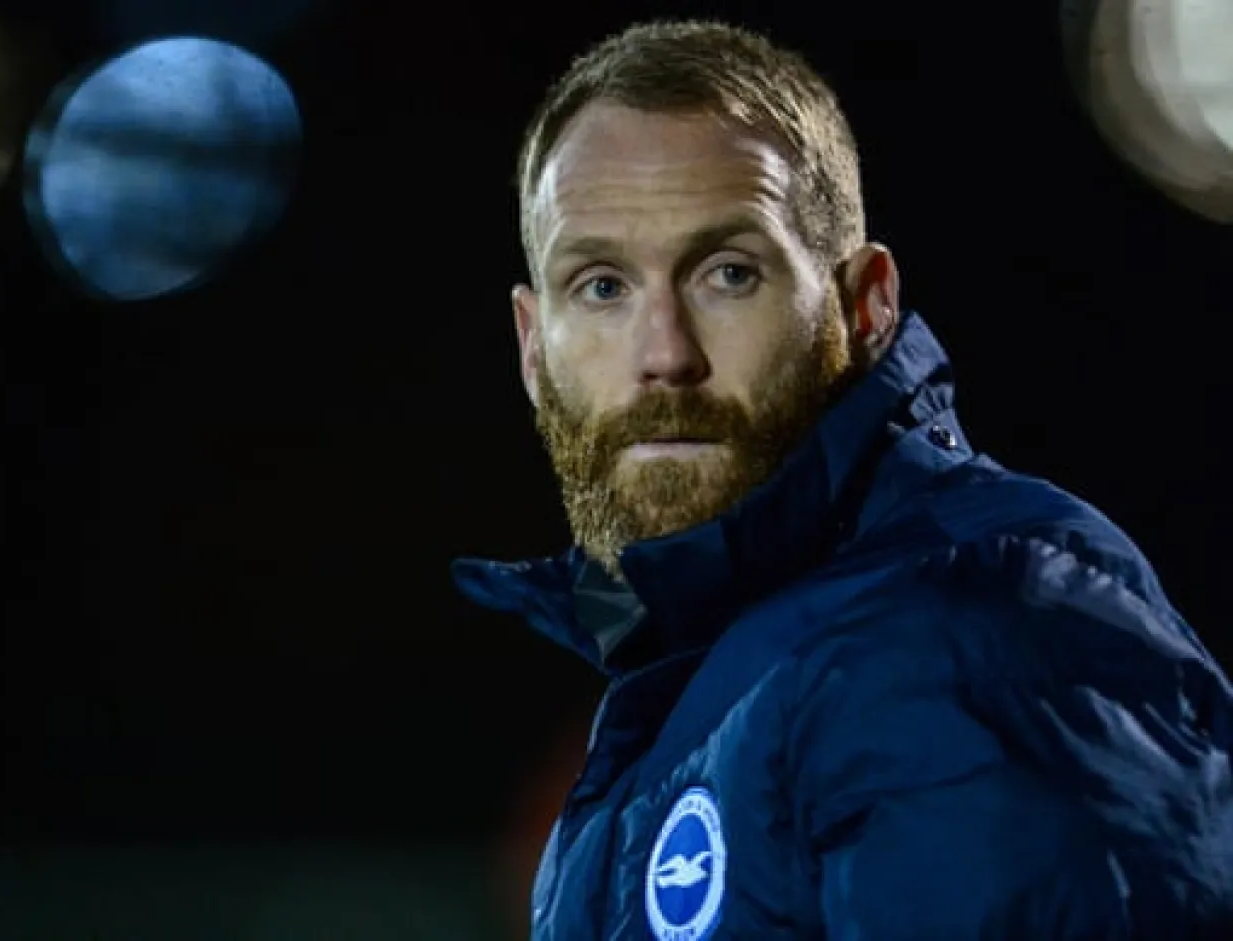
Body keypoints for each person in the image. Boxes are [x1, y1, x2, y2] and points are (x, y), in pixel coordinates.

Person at [451, 19, 1233, 941]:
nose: (663, 355)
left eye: (728, 274)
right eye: (603, 287)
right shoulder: (698, 682)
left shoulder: (971, 624)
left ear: (865, 306)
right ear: (533, 350)